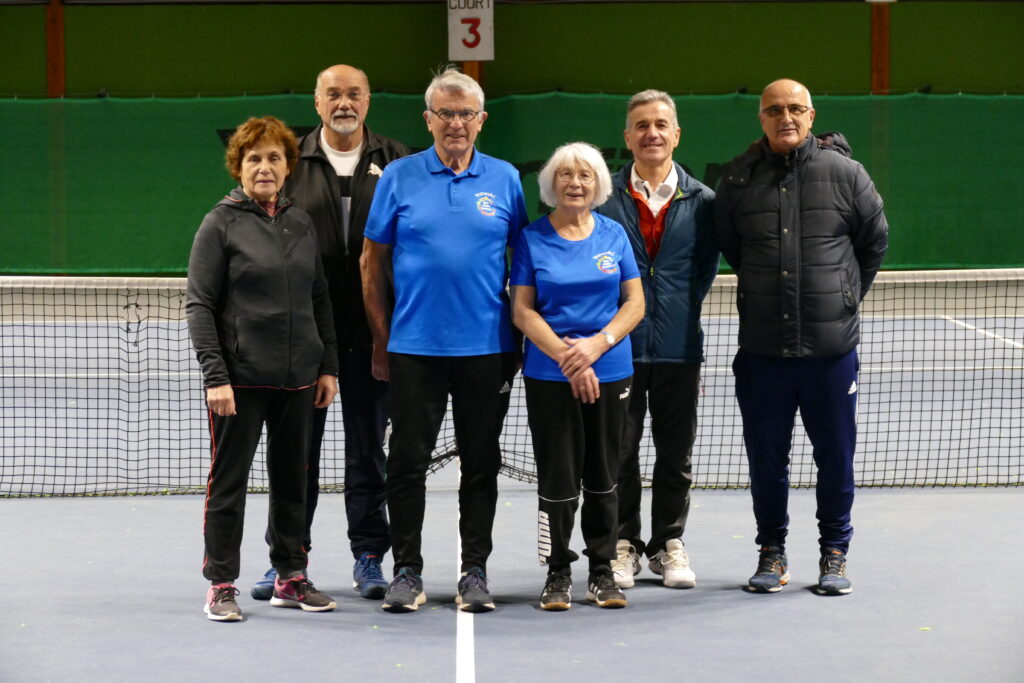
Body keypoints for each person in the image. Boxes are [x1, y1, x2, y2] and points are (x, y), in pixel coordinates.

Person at [361, 68, 528, 613]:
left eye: (465, 114)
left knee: (481, 463)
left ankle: (474, 571)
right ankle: (406, 570)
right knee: (406, 464)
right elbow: (372, 263)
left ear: (482, 120)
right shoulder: (398, 178)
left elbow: (523, 264)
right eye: (445, 114)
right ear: (428, 119)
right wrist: (383, 339)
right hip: (414, 350)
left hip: (488, 351)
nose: (455, 124)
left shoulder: (505, 179)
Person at [714, 79, 888, 595]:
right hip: (762, 354)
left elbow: (873, 241)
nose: (784, 117)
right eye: (773, 110)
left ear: (811, 116)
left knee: (835, 456)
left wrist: (845, 296)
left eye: (794, 109)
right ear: (761, 119)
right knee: (766, 459)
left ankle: (834, 553)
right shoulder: (738, 179)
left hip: (830, 355)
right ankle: (772, 552)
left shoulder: (846, 173)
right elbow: (731, 247)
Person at [249, 65, 410, 602]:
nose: (345, 103)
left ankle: (369, 556)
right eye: (334, 94)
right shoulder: (290, 158)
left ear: (368, 101)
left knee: (369, 452)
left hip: (375, 333)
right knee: (296, 454)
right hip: (304, 337)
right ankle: (286, 560)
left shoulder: (398, 159)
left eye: (354, 94)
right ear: (317, 103)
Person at [186, 116, 340, 621]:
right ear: (239, 165)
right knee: (228, 485)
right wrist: (216, 376)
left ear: (288, 165)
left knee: (294, 481)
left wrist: (327, 367)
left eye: (275, 157)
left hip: (299, 380)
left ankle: (290, 576)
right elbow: (200, 305)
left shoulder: (301, 222)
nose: (265, 167)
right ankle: (221, 584)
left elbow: (320, 298)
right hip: (240, 383)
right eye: (255, 158)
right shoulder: (220, 223)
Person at [511, 142, 644, 610]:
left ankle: (603, 568)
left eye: (585, 175)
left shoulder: (614, 235)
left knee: (605, 474)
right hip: (549, 374)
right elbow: (523, 310)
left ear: (598, 184)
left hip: (611, 369)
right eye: (565, 175)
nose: (575, 182)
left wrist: (596, 346)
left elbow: (634, 303)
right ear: (551, 184)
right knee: (558, 475)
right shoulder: (531, 238)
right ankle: (558, 571)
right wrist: (570, 358)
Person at [595, 90, 718, 590]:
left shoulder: (704, 202)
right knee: (618, 451)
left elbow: (703, 271)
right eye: (641, 125)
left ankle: (668, 543)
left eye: (661, 124)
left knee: (675, 452)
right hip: (618, 350)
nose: (652, 133)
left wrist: (675, 312)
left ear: (676, 134)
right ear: (628, 138)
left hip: (678, 348)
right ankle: (622, 543)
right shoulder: (604, 198)